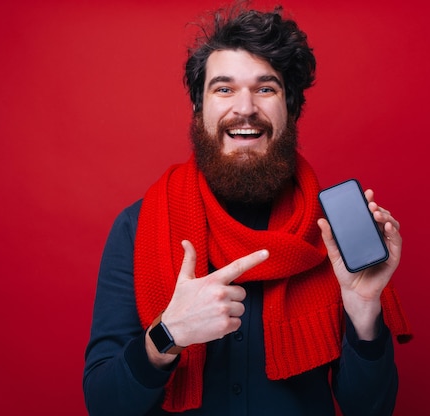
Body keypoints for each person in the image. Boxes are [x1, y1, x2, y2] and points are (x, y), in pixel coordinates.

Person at [83, 3, 412, 415]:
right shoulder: (136, 226)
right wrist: (167, 334)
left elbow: (371, 409)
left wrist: (364, 310)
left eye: (265, 88)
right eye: (223, 88)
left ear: (290, 109)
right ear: (198, 110)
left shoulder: (334, 233)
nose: (244, 108)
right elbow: (103, 404)